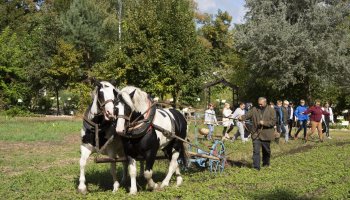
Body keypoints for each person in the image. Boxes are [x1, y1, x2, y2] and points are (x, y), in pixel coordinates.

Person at [239, 97, 276, 170]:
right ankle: (256, 167)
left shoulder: (271, 110)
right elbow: (247, 115)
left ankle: (266, 164)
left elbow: (273, 122)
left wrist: (264, 123)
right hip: (256, 134)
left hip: (266, 134)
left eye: (261, 104)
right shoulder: (254, 109)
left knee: (266, 151)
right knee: (256, 151)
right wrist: (242, 117)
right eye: (259, 104)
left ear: (265, 103)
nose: (260, 105)